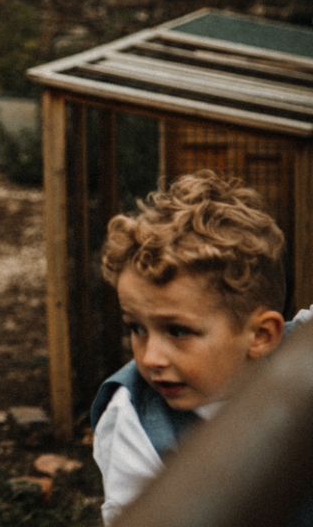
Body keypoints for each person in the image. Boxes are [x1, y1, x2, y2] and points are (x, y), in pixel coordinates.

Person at [90, 170, 311, 525]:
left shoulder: (304, 348)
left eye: (177, 331)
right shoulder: (133, 424)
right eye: (136, 328)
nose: (150, 358)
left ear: (261, 335)